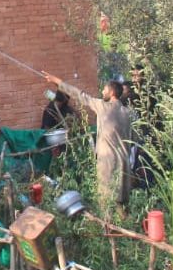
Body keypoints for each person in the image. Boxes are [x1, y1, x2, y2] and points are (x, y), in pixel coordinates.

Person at [42, 71, 132, 214]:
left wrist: (58, 81)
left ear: (112, 92)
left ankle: (109, 232)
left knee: (106, 202)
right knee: (121, 202)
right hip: (125, 162)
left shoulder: (103, 107)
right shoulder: (127, 113)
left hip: (108, 163)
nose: (102, 91)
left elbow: (80, 95)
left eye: (105, 89)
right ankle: (126, 230)